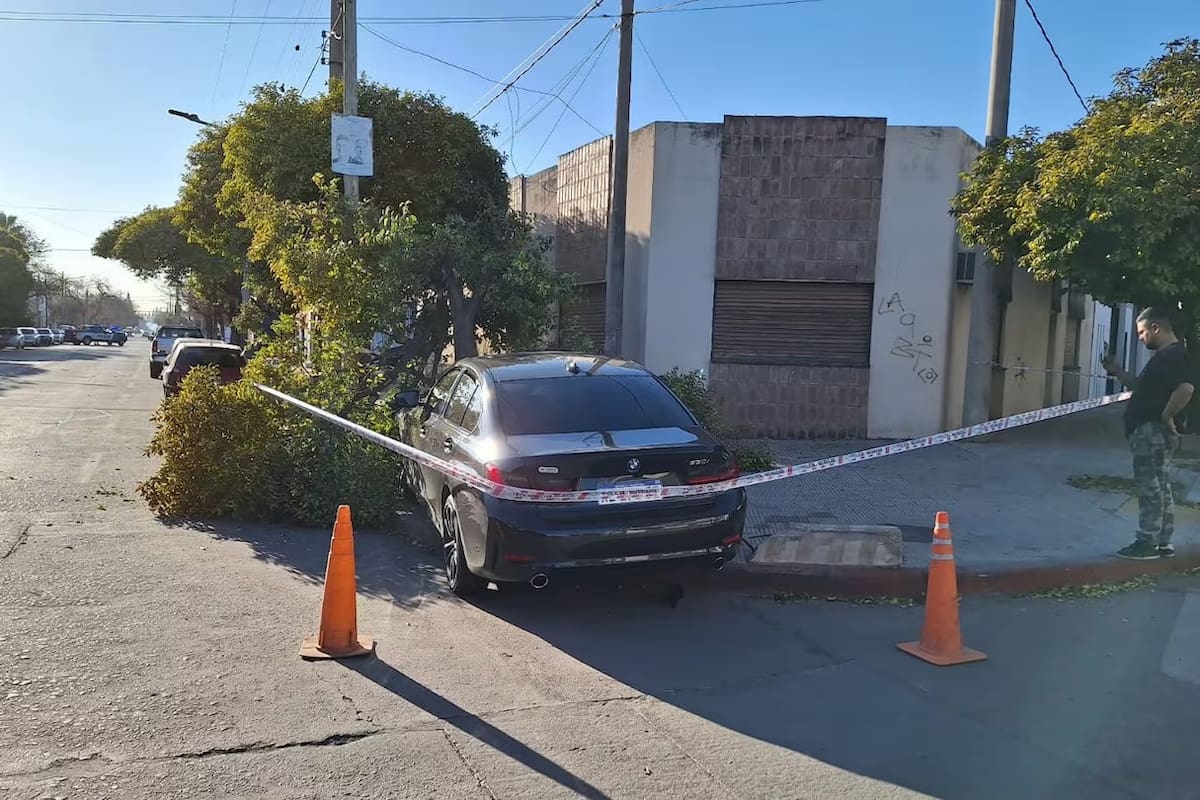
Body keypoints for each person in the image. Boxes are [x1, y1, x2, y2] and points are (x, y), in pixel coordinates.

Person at [1102, 307, 1196, 559]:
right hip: (1151, 430)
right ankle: (1163, 541)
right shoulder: (1165, 359)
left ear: (1156, 328)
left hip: (1152, 430)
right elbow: (1141, 388)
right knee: (1160, 484)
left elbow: (1186, 389)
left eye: (1142, 332)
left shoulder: (1173, 356)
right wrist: (1117, 371)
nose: (1141, 338)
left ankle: (1147, 541)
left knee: (1149, 485)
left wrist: (1166, 416)